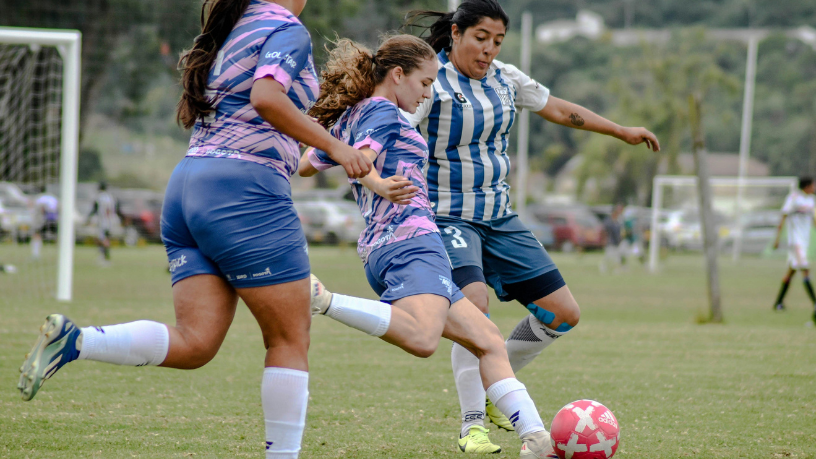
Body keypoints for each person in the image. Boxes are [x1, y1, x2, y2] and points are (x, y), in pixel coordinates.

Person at [18, 1, 371, 458]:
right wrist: (336, 148)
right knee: (288, 339)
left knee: (196, 343)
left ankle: (78, 341)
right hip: (243, 190)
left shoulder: (231, 27)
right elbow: (266, 98)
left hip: (187, 185)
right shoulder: (287, 28)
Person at [401, 0, 661, 449]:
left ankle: (492, 387)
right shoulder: (431, 81)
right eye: (481, 38)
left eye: (498, 41)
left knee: (563, 314)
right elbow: (398, 128)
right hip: (446, 216)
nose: (489, 50)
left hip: (500, 218)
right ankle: (471, 425)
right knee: (473, 308)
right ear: (457, 33)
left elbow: (558, 109)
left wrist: (621, 130)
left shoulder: (506, 79)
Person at [299, 34, 558, 457]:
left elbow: (309, 164)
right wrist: (378, 181)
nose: (427, 92)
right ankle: (321, 299)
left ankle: (537, 440)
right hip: (409, 240)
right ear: (398, 75)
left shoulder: (355, 115)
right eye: (424, 82)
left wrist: (353, 162)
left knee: (489, 341)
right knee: (423, 338)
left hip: (401, 245)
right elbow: (361, 158)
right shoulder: (382, 111)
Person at [772, 176, 816, 324]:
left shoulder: (811, 200)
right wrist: (777, 239)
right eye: (813, 185)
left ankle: (778, 303)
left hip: (804, 241)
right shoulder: (793, 198)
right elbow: (783, 216)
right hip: (795, 242)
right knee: (805, 270)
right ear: (807, 186)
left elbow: (813, 221)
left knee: (791, 272)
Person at [87, 181, 117, 265]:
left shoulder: (99, 197)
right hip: (111, 221)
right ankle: (104, 257)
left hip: (102, 221)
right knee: (106, 239)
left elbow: (94, 209)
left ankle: (104, 258)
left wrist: (88, 218)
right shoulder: (111, 197)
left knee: (101, 239)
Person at [32, 187, 59, 260]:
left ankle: (36, 254)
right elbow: (58, 208)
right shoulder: (52, 197)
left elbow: (41, 209)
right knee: (58, 237)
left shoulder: (39, 198)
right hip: (54, 220)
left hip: (44, 220)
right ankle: (62, 254)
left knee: (37, 235)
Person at [600, 204, 624, 273]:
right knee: (609, 256)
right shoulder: (608, 222)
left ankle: (616, 270)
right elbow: (604, 231)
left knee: (617, 257)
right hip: (610, 242)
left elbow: (619, 232)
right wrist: (604, 240)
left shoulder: (617, 222)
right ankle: (603, 266)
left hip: (616, 242)